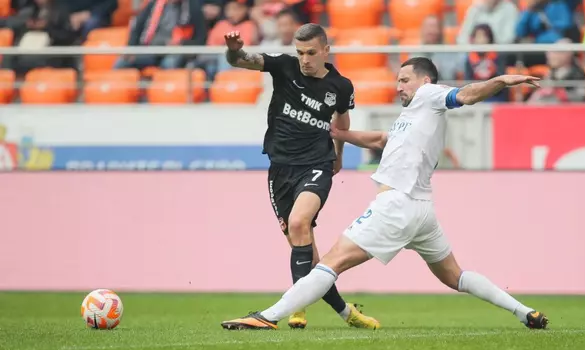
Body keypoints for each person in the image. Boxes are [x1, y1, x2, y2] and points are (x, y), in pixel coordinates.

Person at [221, 57, 550, 331]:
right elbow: (381, 139)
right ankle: (524, 312)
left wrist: (501, 81)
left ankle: (268, 316)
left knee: (331, 262)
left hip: (396, 205)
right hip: (422, 210)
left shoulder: (430, 94)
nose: (398, 86)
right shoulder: (414, 115)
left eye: (405, 80)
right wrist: (338, 133)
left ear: (424, 81)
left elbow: (466, 95)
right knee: (455, 276)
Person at [222, 24, 380, 330]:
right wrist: (233, 49)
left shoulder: (341, 86)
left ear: (325, 51)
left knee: (298, 223)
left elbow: (342, 125)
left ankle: (296, 308)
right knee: (307, 250)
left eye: (310, 53)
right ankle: (346, 312)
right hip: (280, 169)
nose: (305, 59)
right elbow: (240, 61)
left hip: (317, 164)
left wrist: (339, 154)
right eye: (300, 53)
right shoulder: (284, 66)